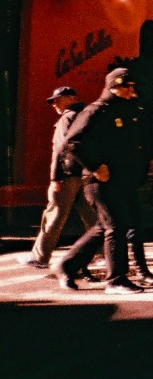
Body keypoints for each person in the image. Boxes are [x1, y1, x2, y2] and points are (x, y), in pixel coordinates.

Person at [53, 68, 153, 294]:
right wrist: (95, 166)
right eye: (125, 87)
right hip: (99, 181)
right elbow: (71, 143)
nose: (131, 90)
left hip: (123, 179)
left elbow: (143, 144)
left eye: (131, 86)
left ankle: (67, 265)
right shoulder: (96, 111)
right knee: (116, 226)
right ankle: (116, 280)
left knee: (105, 227)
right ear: (112, 88)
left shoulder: (129, 112)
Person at [20, 87, 97, 270]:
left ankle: (40, 257)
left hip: (67, 174)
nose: (54, 104)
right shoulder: (87, 115)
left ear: (72, 98)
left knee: (54, 213)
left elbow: (61, 149)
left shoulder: (67, 117)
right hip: (85, 173)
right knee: (91, 216)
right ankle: (102, 253)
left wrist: (55, 177)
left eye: (58, 99)